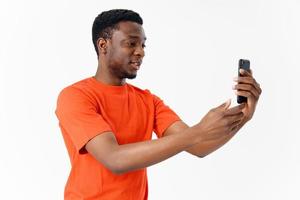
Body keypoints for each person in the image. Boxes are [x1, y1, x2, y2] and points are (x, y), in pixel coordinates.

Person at [55, 9, 262, 200]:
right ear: (103, 45)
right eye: (131, 43)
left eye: (143, 45)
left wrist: (245, 115)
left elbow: (199, 146)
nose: (141, 52)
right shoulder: (75, 96)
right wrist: (199, 130)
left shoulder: (147, 100)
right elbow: (114, 159)